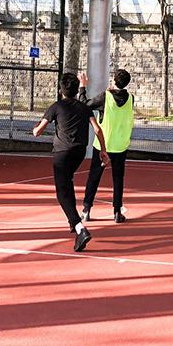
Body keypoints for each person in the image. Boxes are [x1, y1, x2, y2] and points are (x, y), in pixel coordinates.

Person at [32, 72, 108, 252]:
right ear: (75, 90)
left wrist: (35, 128)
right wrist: (103, 150)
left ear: (61, 90)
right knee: (68, 183)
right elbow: (97, 129)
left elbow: (38, 131)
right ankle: (71, 222)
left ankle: (79, 228)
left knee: (61, 192)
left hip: (62, 153)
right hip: (80, 151)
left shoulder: (56, 107)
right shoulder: (84, 107)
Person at [79, 69, 134, 223]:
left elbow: (85, 104)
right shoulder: (131, 98)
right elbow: (120, 100)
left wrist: (83, 87)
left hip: (104, 144)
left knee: (94, 177)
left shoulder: (106, 96)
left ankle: (86, 209)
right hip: (121, 145)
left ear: (114, 81)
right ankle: (117, 211)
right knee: (118, 179)